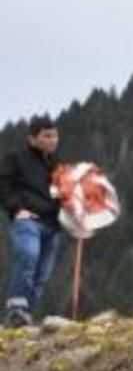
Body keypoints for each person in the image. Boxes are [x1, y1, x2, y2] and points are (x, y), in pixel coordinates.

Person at [0, 117, 65, 328]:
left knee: (42, 274)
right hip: (28, 221)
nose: (52, 140)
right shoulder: (16, 158)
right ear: (32, 138)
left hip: (52, 226)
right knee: (28, 256)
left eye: (54, 135)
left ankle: (24, 317)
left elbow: (67, 195)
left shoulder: (58, 166)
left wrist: (78, 218)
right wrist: (16, 209)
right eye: (46, 135)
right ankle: (15, 309)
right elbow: (3, 185)